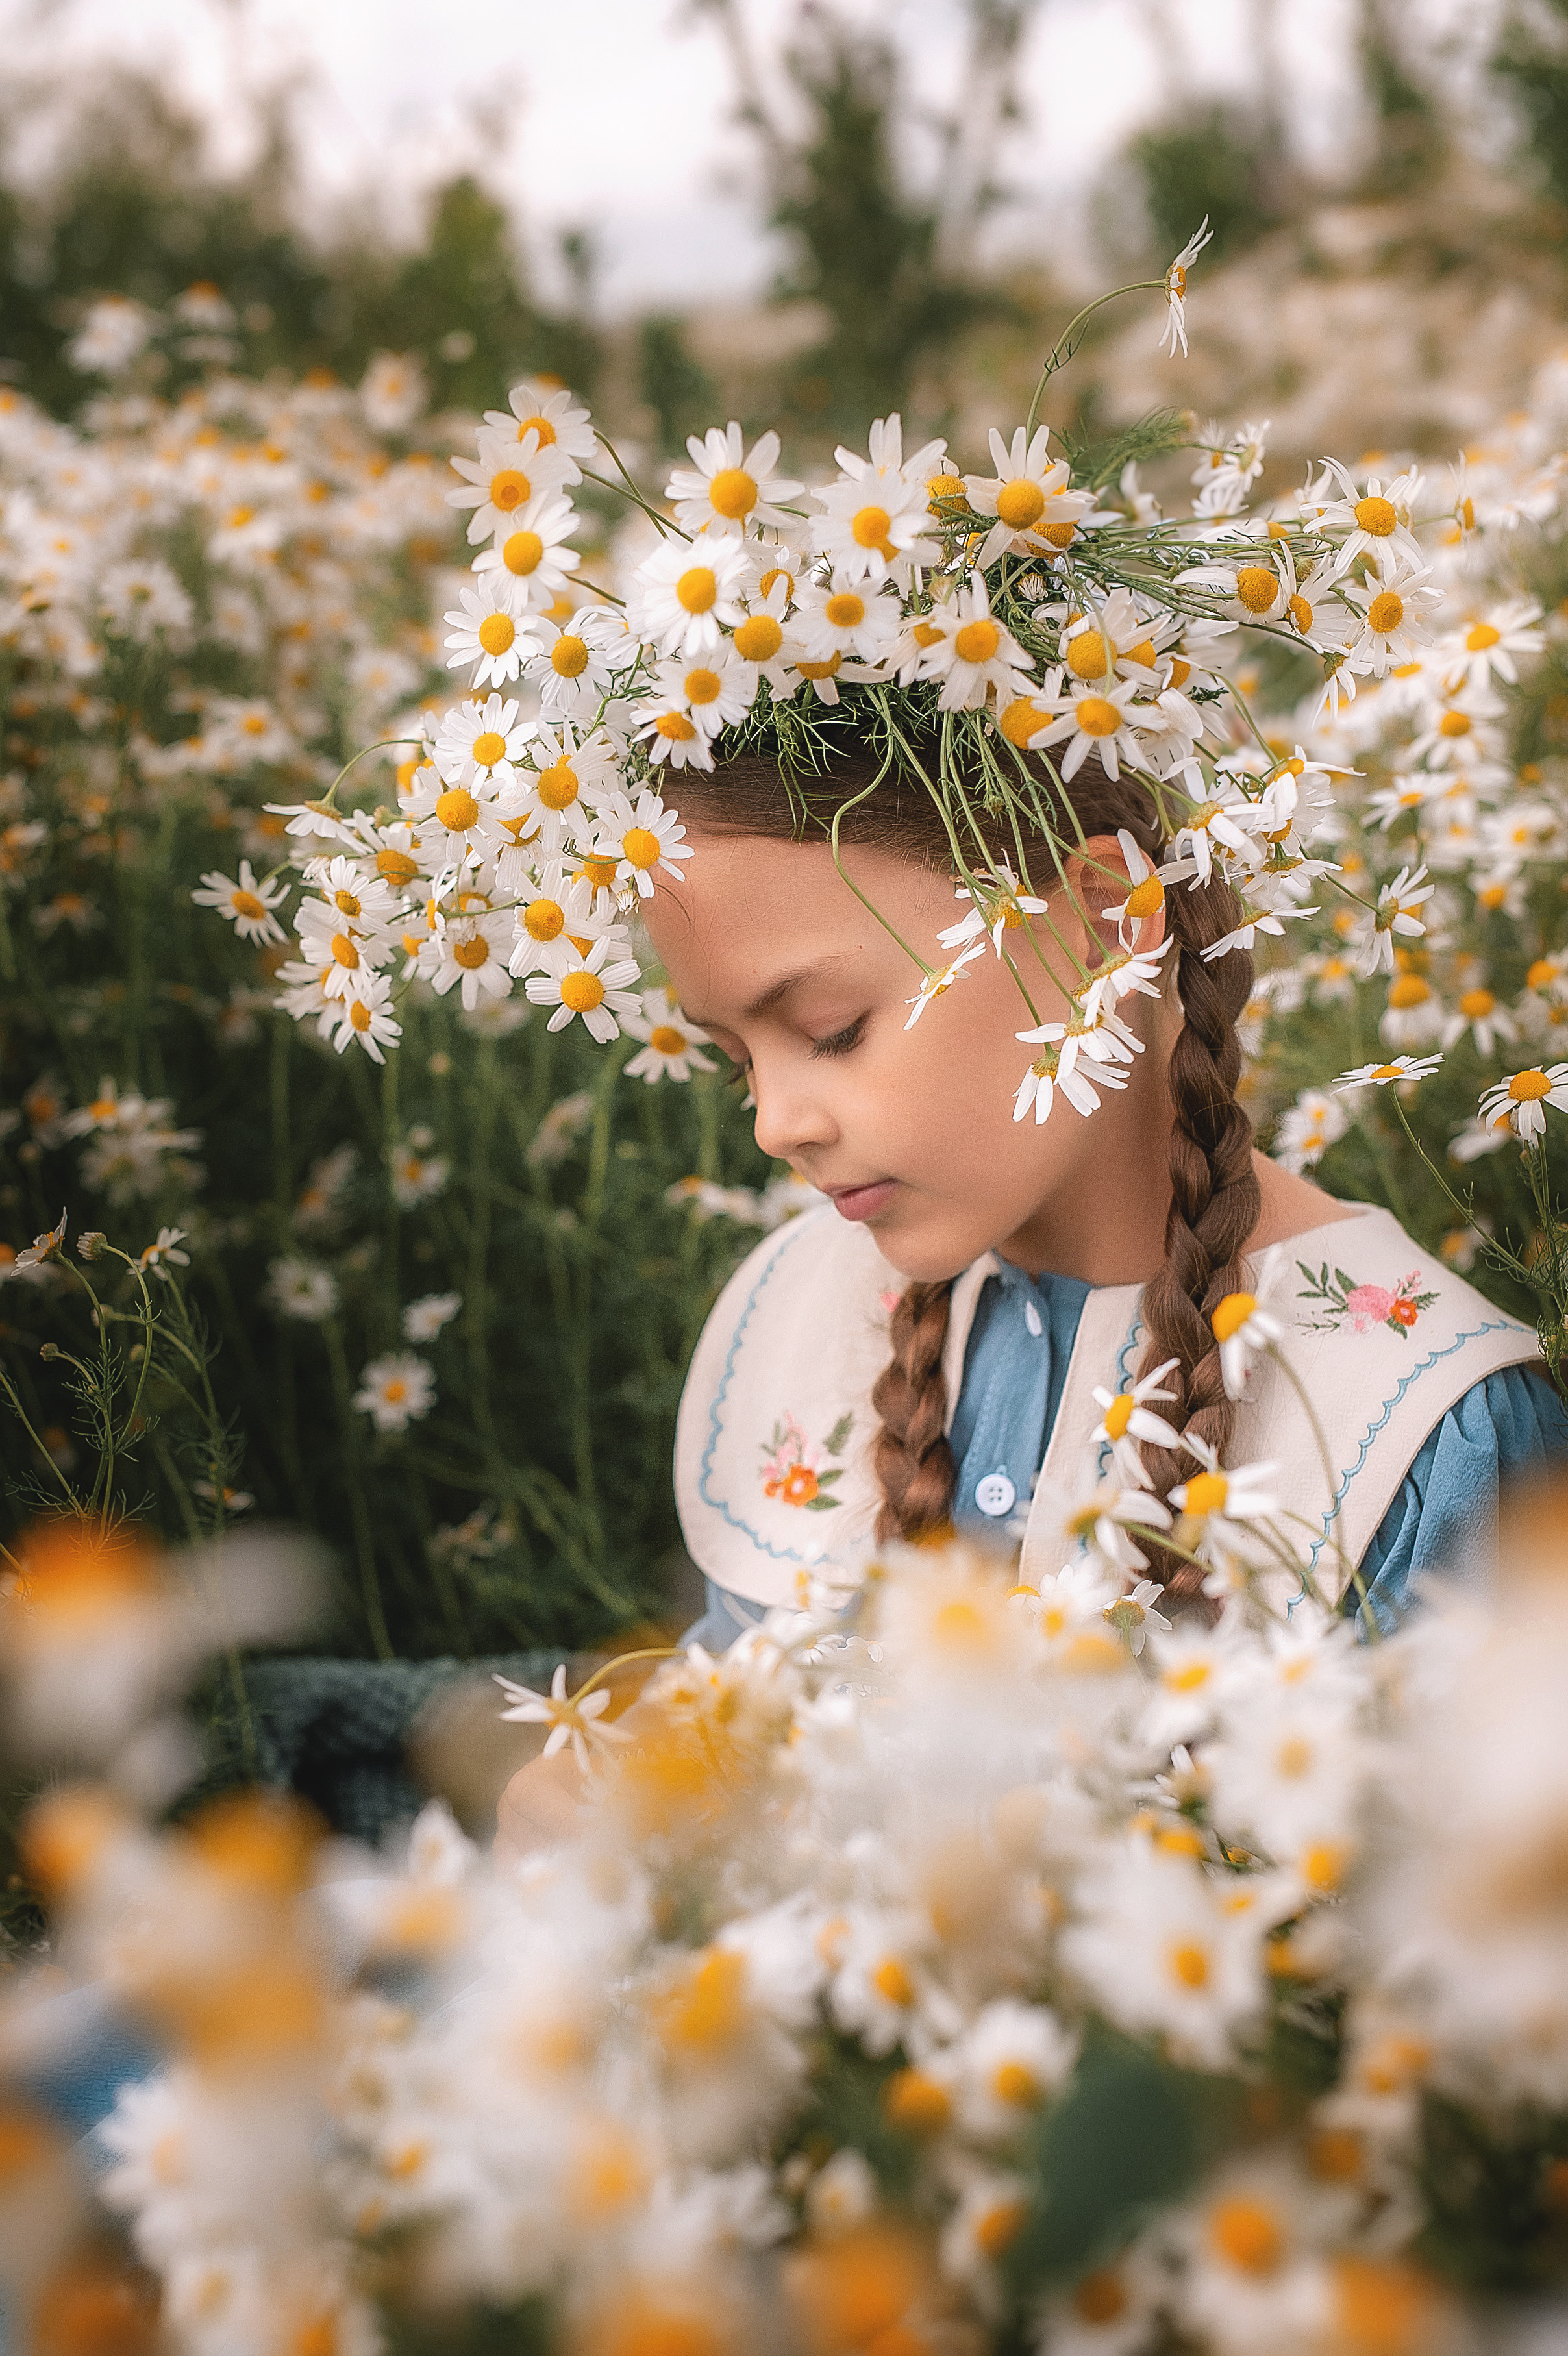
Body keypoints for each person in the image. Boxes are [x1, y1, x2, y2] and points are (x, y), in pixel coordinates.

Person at [497, 739, 1567, 1857]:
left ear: (1106, 922)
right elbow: (743, 1712)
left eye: (830, 1030)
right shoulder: (815, 1305)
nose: (776, 1122)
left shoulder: (1420, 1422)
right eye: (738, 1062)